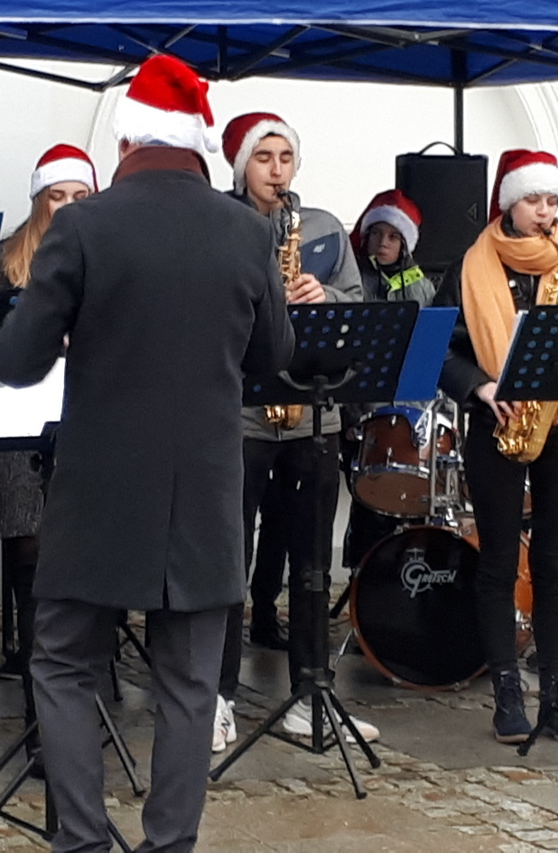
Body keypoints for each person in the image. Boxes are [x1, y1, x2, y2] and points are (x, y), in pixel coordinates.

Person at [0, 54, 294, 853]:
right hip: (203, 489)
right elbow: (275, 358)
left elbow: (14, 361)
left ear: (127, 141)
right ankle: (169, 845)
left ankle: (84, 841)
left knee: (62, 665)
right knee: (189, 685)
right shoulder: (248, 230)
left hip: (98, 488)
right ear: (197, 144)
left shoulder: (83, 226)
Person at [434, 149, 558, 745]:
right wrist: (480, 386)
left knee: (554, 561)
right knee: (498, 560)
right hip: (495, 425)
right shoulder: (467, 268)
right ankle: (507, 695)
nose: (545, 210)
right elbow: (440, 348)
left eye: (552, 200)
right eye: (534, 199)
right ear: (509, 203)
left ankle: (556, 694)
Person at [213, 111, 372, 754]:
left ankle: (311, 694)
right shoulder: (220, 225)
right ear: (241, 167)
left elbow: (359, 305)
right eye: (263, 157)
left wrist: (325, 298)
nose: (276, 170)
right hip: (243, 414)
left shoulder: (325, 228)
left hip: (315, 412)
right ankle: (218, 699)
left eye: (285, 157)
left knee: (312, 562)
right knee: (229, 559)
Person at [0, 143, 98, 762]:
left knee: (84, 556)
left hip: (89, 421)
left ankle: (80, 699)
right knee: (31, 551)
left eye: (80, 196)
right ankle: (38, 710)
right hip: (21, 423)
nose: (67, 206)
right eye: (56, 196)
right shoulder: (3, 260)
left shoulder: (107, 251)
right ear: (39, 199)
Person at [341, 190, 438, 572]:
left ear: (406, 244)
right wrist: (351, 417)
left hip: (411, 418)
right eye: (377, 234)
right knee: (369, 507)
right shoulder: (352, 282)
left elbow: (433, 357)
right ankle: (364, 576)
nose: (383, 243)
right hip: (363, 416)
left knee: (415, 502)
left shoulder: (423, 288)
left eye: (394, 236)